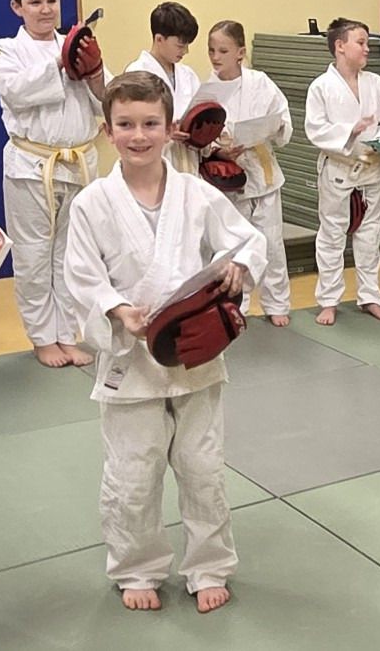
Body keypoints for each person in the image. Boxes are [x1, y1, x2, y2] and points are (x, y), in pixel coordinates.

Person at [64, 71, 266, 614]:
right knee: (132, 475)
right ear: (108, 130)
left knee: (204, 468)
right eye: (126, 124)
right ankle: (137, 567)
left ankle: (209, 565)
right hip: (131, 362)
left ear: (170, 127)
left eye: (151, 123)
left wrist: (241, 267)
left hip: (195, 355)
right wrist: (116, 309)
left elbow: (246, 240)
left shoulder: (195, 193)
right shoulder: (92, 203)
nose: (139, 135)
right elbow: (81, 276)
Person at [0, 0, 108, 368]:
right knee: (34, 255)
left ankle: (67, 335)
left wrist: (93, 72)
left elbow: (106, 99)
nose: (45, 9)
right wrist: (59, 61)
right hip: (31, 165)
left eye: (51, 0)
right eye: (35, 2)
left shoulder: (76, 43)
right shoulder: (4, 50)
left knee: (72, 254)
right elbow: (16, 92)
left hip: (79, 162)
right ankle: (42, 338)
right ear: (16, 7)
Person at [305, 17, 380, 326]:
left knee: (370, 236)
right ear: (340, 46)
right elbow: (315, 130)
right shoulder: (321, 87)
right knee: (332, 235)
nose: (367, 49)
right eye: (361, 43)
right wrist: (350, 131)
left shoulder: (377, 84)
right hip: (339, 169)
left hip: (372, 168)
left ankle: (370, 297)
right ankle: (329, 301)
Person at [207, 20, 293, 326]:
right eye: (211, 50)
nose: (215, 57)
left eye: (223, 51)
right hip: (227, 177)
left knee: (272, 244)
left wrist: (276, 126)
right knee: (233, 248)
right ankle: (236, 306)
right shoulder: (207, 90)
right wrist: (217, 149)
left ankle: (277, 302)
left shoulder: (261, 82)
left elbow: (283, 119)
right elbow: (199, 134)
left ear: (240, 52)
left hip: (263, 173)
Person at [126, 1, 203, 174]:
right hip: (152, 160)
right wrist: (166, 131)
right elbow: (130, 122)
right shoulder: (137, 72)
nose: (185, 51)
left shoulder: (188, 75)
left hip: (187, 160)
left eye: (187, 45)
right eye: (180, 46)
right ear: (159, 39)